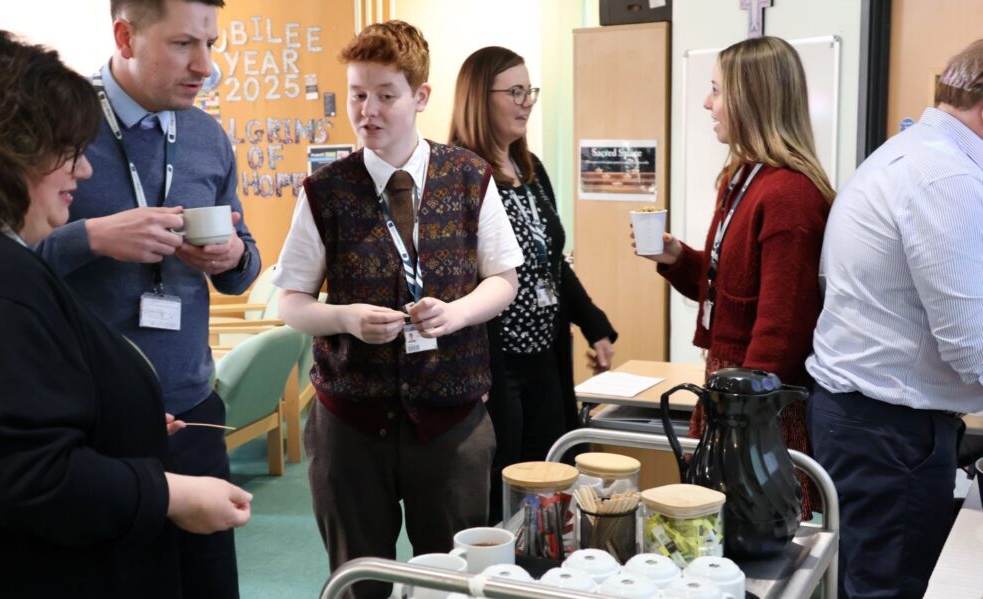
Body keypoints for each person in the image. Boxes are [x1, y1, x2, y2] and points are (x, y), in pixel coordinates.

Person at [0, 30, 251, 598]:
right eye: (69, 151)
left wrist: (121, 420)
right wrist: (171, 494)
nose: (85, 171)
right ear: (11, 148)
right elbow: (33, 476)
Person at [273, 20, 523, 599]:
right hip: (351, 423)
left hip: (451, 420)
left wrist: (457, 314)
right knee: (360, 581)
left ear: (420, 97)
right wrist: (345, 318)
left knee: (454, 582)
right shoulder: (325, 190)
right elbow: (291, 302)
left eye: (386, 95)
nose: (368, 110)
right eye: (357, 94)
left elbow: (502, 281)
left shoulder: (467, 177)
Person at [33, 1, 259, 595]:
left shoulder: (208, 135)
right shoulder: (56, 123)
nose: (206, 66)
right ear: (125, 36)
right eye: (184, 44)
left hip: (192, 410)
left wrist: (233, 257)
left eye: (212, 43)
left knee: (210, 584)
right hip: (91, 426)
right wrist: (92, 238)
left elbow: (245, 268)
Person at [805, 39, 983, 599]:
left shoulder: (913, 152)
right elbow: (971, 342)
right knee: (888, 589)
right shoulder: (947, 178)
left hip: (868, 422)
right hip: (888, 432)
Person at [635, 36, 834, 518]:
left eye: (717, 90)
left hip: (756, 411)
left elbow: (781, 328)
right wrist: (677, 257)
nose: (708, 103)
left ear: (752, 98)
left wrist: (736, 418)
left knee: (753, 544)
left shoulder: (789, 194)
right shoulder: (742, 178)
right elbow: (730, 285)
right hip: (731, 392)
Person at [448, 46, 618, 522]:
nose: (526, 102)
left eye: (530, 92)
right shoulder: (459, 174)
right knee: (500, 485)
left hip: (544, 355)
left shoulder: (531, 168)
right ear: (480, 98)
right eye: (515, 92)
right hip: (493, 362)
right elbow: (455, 280)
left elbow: (552, 263)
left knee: (549, 477)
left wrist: (595, 325)